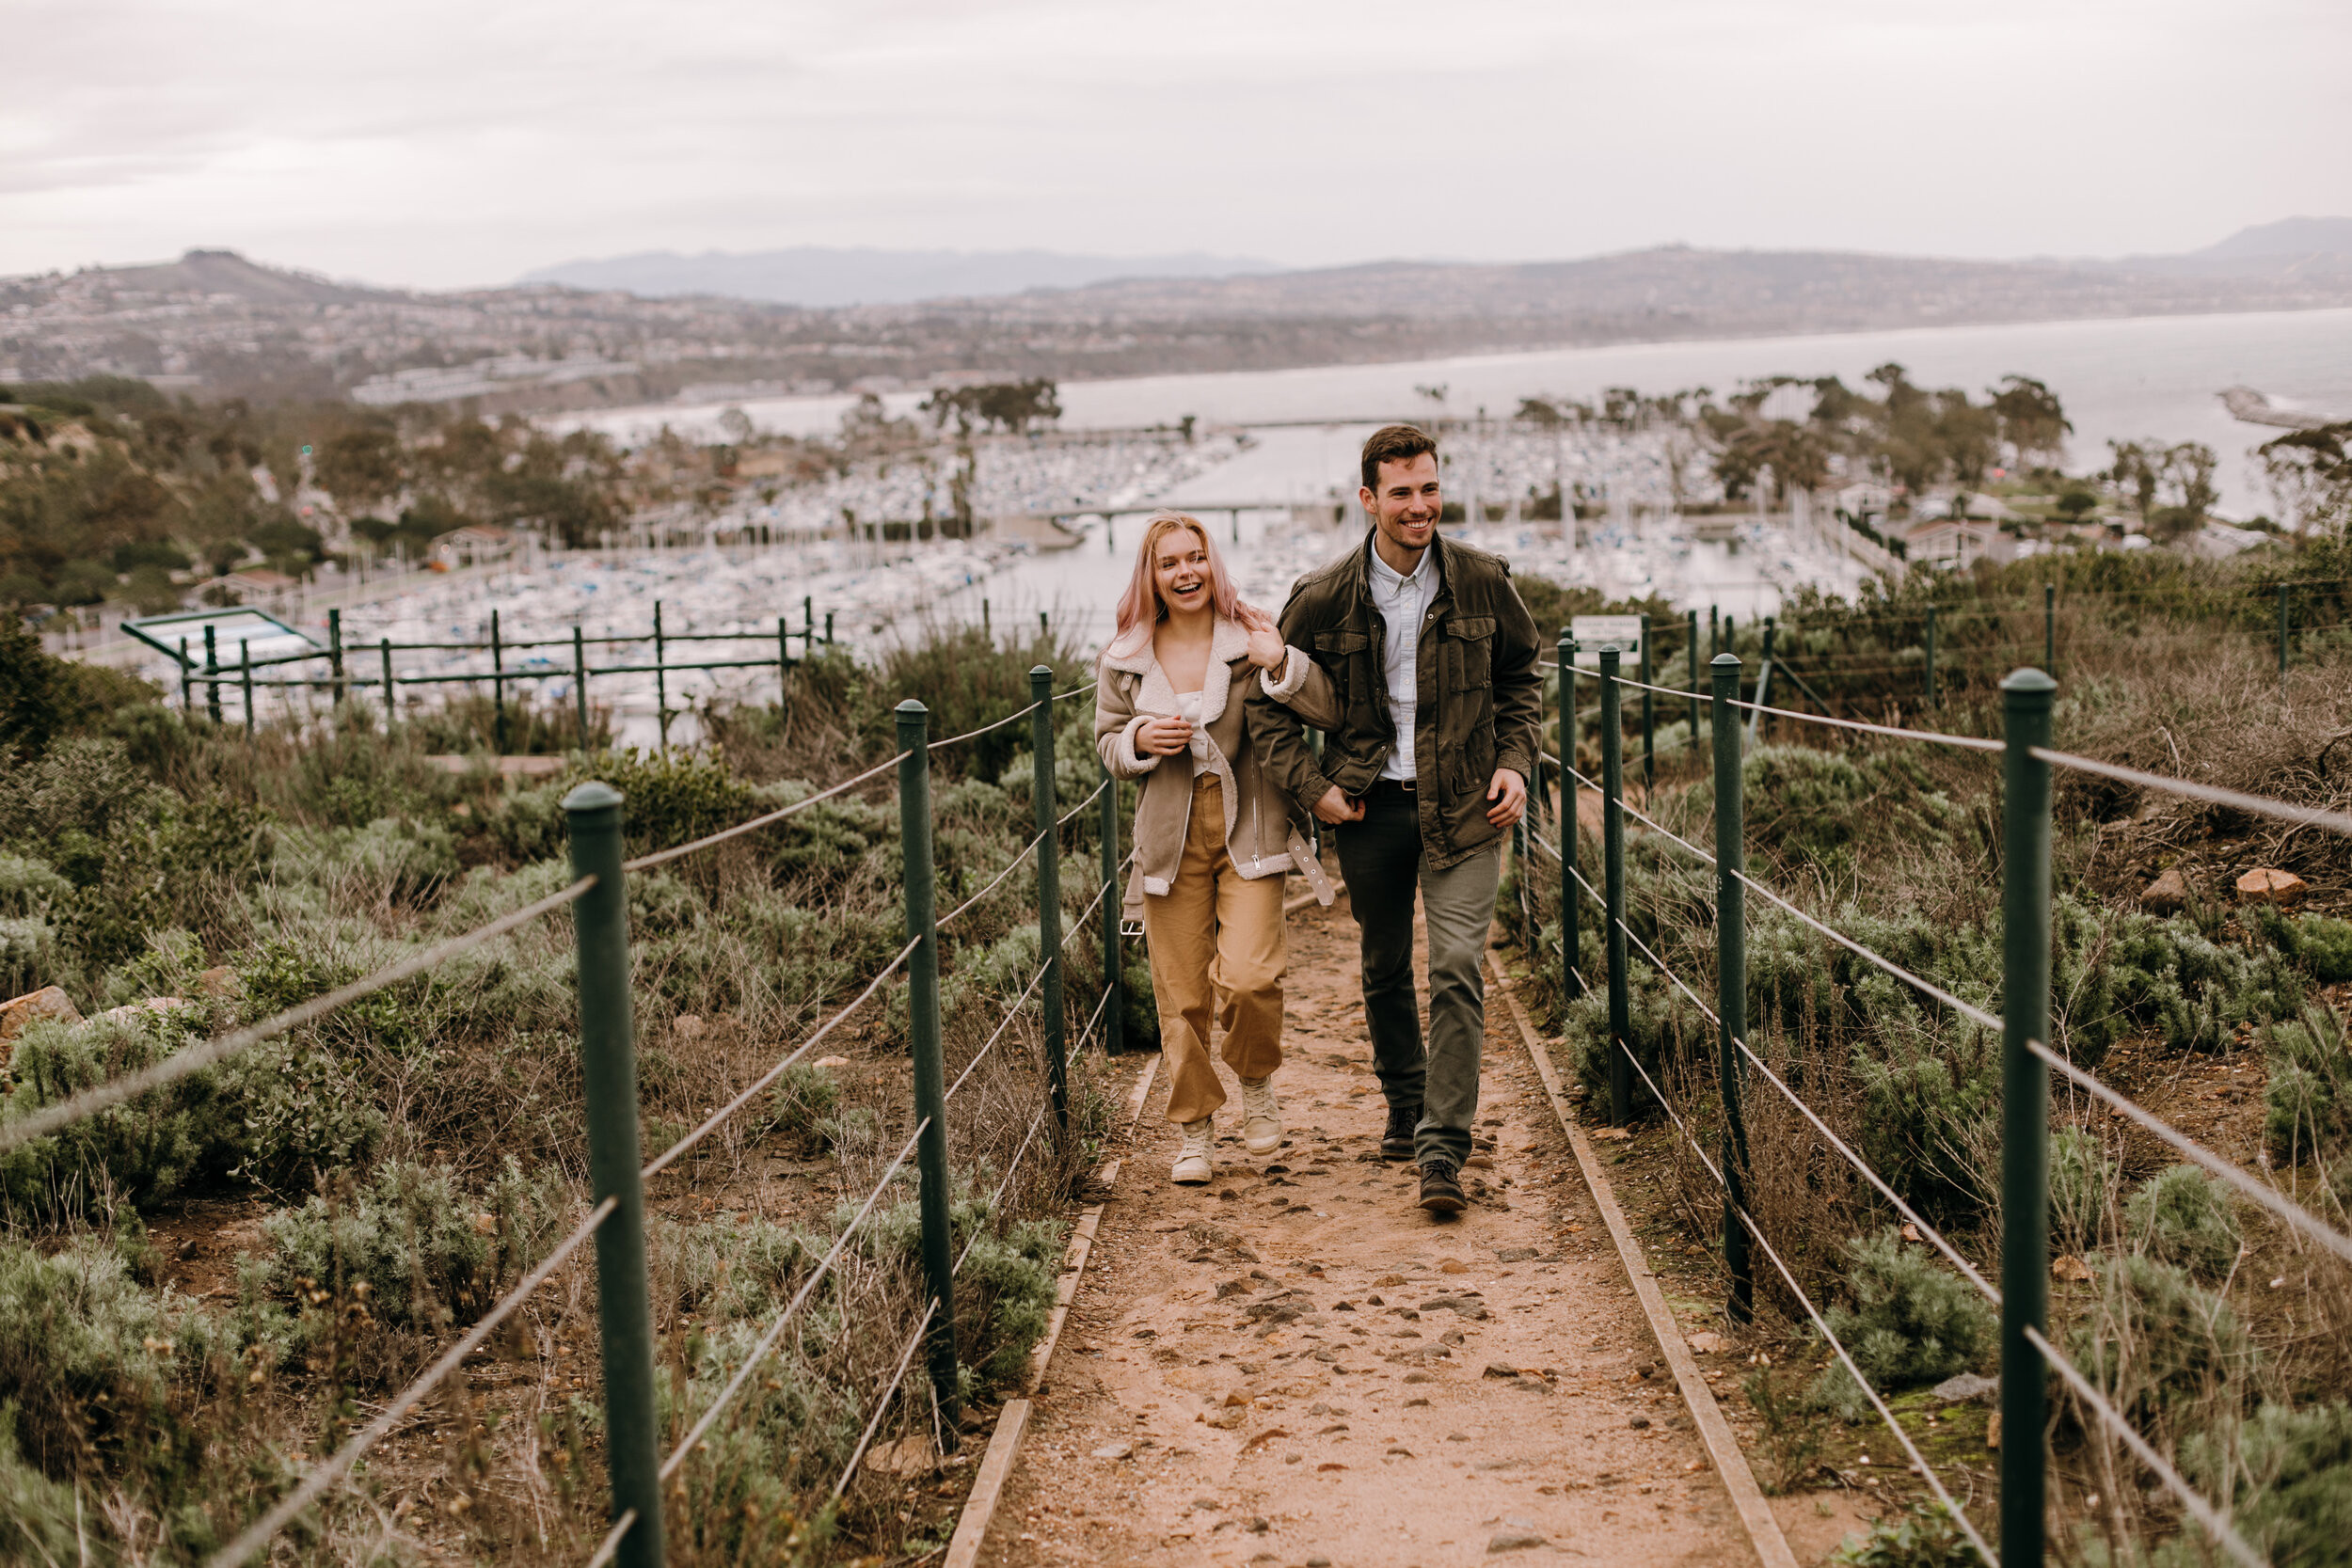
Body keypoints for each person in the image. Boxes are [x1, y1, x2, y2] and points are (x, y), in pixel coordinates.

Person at [1248, 424, 1541, 1214]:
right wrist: (1313, 789)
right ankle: (1404, 1103)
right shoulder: (1322, 594)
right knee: (1382, 968)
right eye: (1403, 492)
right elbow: (1263, 701)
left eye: (1431, 488)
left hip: (1467, 809)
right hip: (1370, 808)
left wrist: (1515, 762)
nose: (1421, 506)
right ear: (1369, 499)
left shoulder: (1483, 580)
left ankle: (1442, 1148)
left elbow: (1521, 679)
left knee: (1454, 966)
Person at [1096, 511, 1334, 1186]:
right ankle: (1195, 1131)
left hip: (1249, 825)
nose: (1185, 572)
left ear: (1212, 562)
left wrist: (1280, 660)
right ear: (1152, 575)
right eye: (1169, 562)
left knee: (1252, 975)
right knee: (1180, 995)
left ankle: (1256, 1079)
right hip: (1168, 837)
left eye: (1194, 557)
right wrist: (1140, 740)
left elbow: (1324, 705)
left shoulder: (1251, 635)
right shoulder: (1124, 655)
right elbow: (1109, 744)